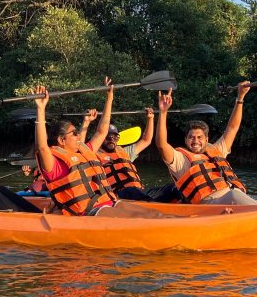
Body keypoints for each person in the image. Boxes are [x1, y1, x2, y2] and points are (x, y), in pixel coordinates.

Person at [154, 84, 257, 212]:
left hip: (241, 201)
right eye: (191, 137)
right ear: (186, 141)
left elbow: (232, 128)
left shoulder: (216, 150)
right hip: (212, 206)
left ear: (206, 139)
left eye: (199, 137)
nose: (195, 140)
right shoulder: (181, 160)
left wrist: (240, 98)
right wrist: (163, 112)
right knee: (234, 195)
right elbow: (161, 144)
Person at [33, 80, 162, 218]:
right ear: (61, 140)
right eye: (74, 133)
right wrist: (40, 109)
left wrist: (109, 97)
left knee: (154, 214)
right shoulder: (54, 164)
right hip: (90, 211)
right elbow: (41, 146)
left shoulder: (84, 150)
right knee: (139, 218)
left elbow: (101, 131)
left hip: (110, 201)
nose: (78, 136)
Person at [81, 108, 177, 202]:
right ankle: (151, 205)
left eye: (114, 137)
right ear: (101, 138)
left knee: (174, 188)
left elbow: (146, 140)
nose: (111, 140)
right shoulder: (94, 155)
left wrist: (150, 119)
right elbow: (79, 149)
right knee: (132, 191)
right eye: (108, 137)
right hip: (119, 195)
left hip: (140, 191)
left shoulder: (124, 152)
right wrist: (86, 122)